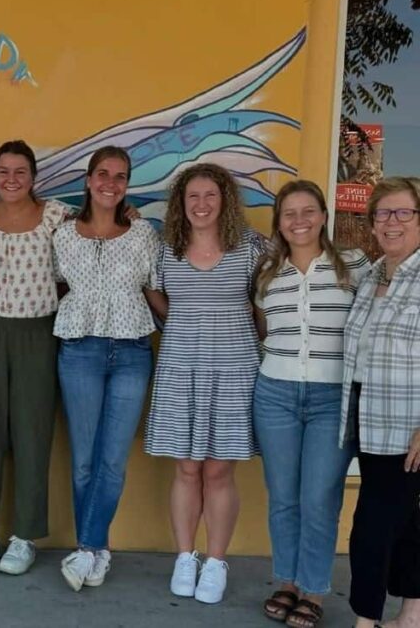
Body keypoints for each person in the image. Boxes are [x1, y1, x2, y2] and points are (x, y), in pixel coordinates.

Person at [144, 163, 265, 604]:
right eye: (192, 196)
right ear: (181, 203)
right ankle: (184, 556)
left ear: (225, 200)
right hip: (181, 364)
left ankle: (215, 561)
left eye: (210, 195)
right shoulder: (166, 249)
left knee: (217, 469)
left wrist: (250, 337)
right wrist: (179, 321)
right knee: (187, 467)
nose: (201, 204)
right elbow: (154, 292)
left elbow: (265, 302)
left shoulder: (251, 248)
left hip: (233, 367)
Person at [253, 180, 367, 627]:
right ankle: (287, 582)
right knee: (283, 497)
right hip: (275, 394)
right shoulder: (266, 270)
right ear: (278, 223)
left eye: (307, 211)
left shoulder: (354, 266)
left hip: (332, 398)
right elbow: (264, 330)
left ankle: (314, 588)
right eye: (288, 214)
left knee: (319, 497)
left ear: (323, 215)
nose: (298, 220)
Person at [52, 146, 158, 591]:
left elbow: (156, 290)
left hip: (132, 350)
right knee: (83, 462)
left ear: (127, 184)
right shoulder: (62, 235)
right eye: (102, 174)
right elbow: (52, 288)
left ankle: (88, 549)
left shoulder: (143, 234)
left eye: (120, 176)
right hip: (79, 351)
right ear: (88, 179)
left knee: (112, 461)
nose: (110, 183)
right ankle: (95, 549)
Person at [0, 140, 69, 576]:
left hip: (37, 332)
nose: (11, 179)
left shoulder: (57, 217)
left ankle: (24, 536)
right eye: (3, 171)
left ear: (33, 176)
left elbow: (76, 265)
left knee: (32, 432)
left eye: (20, 171)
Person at [341, 177, 420, 628]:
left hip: (407, 425)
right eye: (382, 214)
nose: (391, 223)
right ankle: (412, 614)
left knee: (372, 524)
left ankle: (365, 619)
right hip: (365, 416)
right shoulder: (369, 276)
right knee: (407, 520)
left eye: (403, 213)